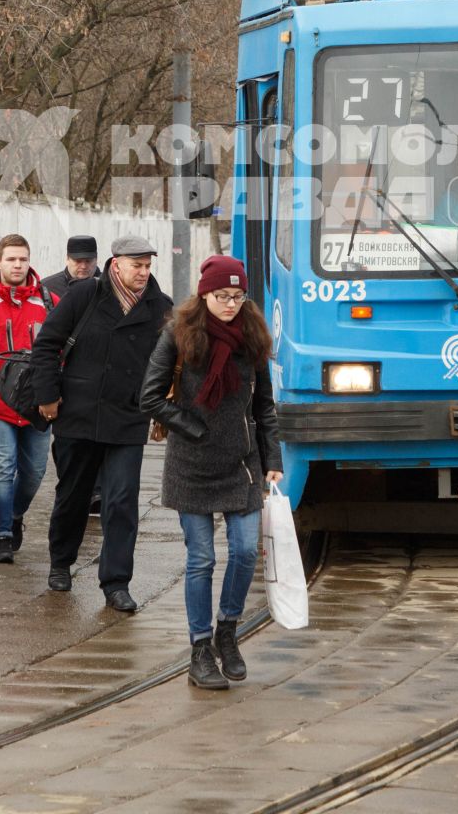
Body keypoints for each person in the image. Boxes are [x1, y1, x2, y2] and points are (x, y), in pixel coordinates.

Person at [140, 255, 281, 691]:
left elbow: (264, 406)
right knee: (201, 559)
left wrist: (272, 460)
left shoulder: (253, 335)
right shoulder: (178, 335)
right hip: (192, 464)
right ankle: (200, 648)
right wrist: (192, 427)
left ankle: (228, 630)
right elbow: (149, 398)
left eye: (238, 297)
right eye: (223, 296)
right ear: (205, 293)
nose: (231, 304)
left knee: (242, 552)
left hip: (241, 464)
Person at [26, 235, 172, 612]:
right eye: (136, 265)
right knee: (73, 494)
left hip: (127, 417)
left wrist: (164, 408)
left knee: (121, 501)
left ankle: (116, 582)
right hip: (77, 413)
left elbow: (173, 363)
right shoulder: (84, 296)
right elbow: (46, 346)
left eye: (147, 265)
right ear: (116, 264)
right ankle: (61, 562)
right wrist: (47, 396)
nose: (143, 272)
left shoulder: (161, 308)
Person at [0, 233, 52, 564]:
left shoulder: (48, 302)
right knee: (2, 468)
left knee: (34, 472)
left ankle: (14, 513)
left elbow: (63, 350)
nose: (18, 265)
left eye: (23, 259)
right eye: (11, 259)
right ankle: (2, 535)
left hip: (39, 404)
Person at [39, 235, 99, 307]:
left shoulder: (109, 286)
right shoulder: (47, 287)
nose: (83, 266)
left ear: (96, 259)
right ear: (67, 259)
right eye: (78, 261)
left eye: (88, 261)